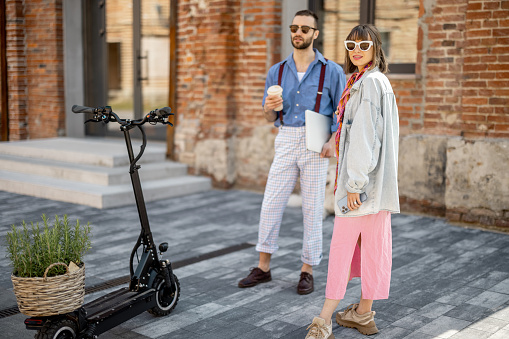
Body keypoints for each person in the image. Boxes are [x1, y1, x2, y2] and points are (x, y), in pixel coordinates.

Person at [238, 10, 346, 295]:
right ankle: (263, 267)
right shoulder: (277, 71)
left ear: (315, 34)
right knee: (271, 203)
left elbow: (343, 111)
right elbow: (268, 116)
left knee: (312, 209)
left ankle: (307, 270)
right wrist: (268, 107)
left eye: (305, 29)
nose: (298, 33)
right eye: (294, 28)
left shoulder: (331, 70)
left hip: (316, 141)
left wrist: (332, 140)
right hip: (285, 137)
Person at [305, 24, 400, 339]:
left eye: (364, 44)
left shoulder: (368, 84)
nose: (356, 50)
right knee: (374, 249)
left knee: (342, 250)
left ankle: (323, 321)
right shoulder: (373, 81)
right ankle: (362, 314)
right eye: (350, 45)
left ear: (376, 47)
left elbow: (365, 138)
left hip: (360, 188)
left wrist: (354, 184)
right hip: (377, 188)